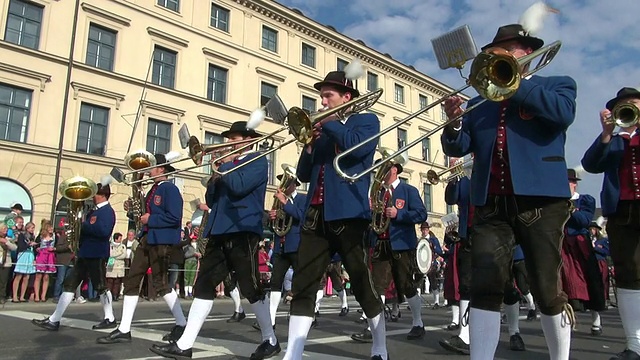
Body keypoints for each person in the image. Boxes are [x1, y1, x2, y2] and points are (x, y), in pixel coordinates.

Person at [441, 22, 577, 359]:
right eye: (494, 53)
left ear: (527, 52)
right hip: (491, 203)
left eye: (506, 51)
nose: (498, 56)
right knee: (485, 287)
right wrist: (454, 121)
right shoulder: (479, 103)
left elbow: (562, 114)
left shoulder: (557, 85)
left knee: (546, 288)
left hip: (542, 200)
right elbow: (458, 147)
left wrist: (513, 82)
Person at [150, 121, 279, 360]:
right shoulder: (226, 166)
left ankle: (270, 339)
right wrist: (214, 172)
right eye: (228, 139)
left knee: (250, 287)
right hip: (219, 230)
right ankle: (185, 344)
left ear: (248, 140)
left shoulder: (258, 160)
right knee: (204, 286)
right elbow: (212, 198)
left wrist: (226, 165)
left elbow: (240, 187)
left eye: (233, 139)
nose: (228, 143)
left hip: (243, 230)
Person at [284, 68, 387, 360]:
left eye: (328, 96)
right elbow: (303, 175)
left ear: (347, 97)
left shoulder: (366, 121)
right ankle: (293, 353)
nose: (323, 102)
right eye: (322, 97)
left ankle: (379, 345)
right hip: (315, 214)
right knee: (304, 284)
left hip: (349, 214)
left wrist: (328, 124)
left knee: (361, 281)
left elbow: (358, 149)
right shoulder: (324, 132)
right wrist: (308, 145)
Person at [97, 154, 186, 344]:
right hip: (147, 238)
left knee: (161, 283)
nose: (148, 169)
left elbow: (174, 217)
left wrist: (150, 219)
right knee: (132, 279)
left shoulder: (170, 189)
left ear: (162, 169)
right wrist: (133, 210)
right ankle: (124, 329)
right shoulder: (154, 189)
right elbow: (145, 215)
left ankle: (182, 323)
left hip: (161, 240)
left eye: (152, 166)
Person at [581, 86, 640, 360]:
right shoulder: (614, 141)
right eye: (625, 107)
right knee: (628, 276)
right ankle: (634, 344)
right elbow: (590, 163)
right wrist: (606, 134)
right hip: (622, 212)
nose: (630, 110)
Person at [350, 159, 427, 342]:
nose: (379, 173)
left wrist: (399, 214)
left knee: (407, 286)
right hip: (380, 243)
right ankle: (373, 329)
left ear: (393, 170)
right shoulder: (377, 193)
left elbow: (421, 214)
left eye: (383, 169)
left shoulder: (408, 191)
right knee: (377, 287)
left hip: (401, 244)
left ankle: (418, 323)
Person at [32, 176, 117, 330]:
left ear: (102, 195)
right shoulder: (94, 211)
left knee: (101, 286)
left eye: (95, 194)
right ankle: (54, 319)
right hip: (85, 253)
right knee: (69, 284)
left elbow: (104, 231)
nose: (92, 197)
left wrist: (83, 226)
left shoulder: (107, 212)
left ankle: (110, 317)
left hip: (97, 254)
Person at [253, 172, 306, 331]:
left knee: (299, 282)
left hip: (296, 245)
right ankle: (271, 320)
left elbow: (302, 217)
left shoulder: (302, 199)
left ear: (294, 184)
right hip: (280, 246)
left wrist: (286, 204)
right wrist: (272, 217)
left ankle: (300, 315)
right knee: (275, 282)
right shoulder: (278, 201)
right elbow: (273, 227)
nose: (282, 187)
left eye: (286, 183)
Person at [561, 169, 606, 334]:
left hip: (580, 245)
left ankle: (596, 320)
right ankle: (568, 320)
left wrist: (571, 208)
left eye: (569, 183)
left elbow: (584, 221)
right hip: (563, 246)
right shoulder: (556, 203)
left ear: (574, 184)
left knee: (591, 279)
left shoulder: (585, 200)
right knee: (565, 282)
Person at [439, 175, 473, 355]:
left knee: (500, 287)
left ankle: (514, 331)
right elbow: (450, 198)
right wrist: (452, 182)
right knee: (465, 286)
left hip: (493, 233)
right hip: (468, 237)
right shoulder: (465, 180)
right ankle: (464, 335)